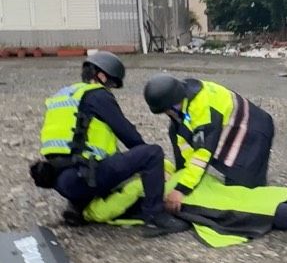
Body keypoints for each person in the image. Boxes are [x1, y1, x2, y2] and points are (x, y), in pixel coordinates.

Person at [29, 52, 188, 236]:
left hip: (57, 178)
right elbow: (129, 135)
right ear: (102, 76)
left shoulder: (64, 96)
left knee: (94, 163)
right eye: (112, 84)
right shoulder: (97, 95)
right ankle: (156, 217)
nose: (110, 89)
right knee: (152, 154)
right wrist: (152, 167)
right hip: (84, 177)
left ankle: (77, 207)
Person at [80, 159, 287, 247]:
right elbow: (163, 164)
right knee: (243, 194)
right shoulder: (124, 162)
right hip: (189, 180)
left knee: (235, 210)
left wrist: (85, 213)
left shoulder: (122, 186)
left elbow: (102, 212)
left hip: (182, 196)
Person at [143, 74, 275, 212]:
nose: (167, 114)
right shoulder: (181, 100)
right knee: (232, 192)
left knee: (244, 196)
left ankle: (279, 210)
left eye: (167, 110)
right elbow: (182, 143)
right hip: (231, 128)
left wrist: (182, 189)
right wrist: (180, 176)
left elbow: (203, 153)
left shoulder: (202, 108)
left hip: (254, 133)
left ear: (174, 103)